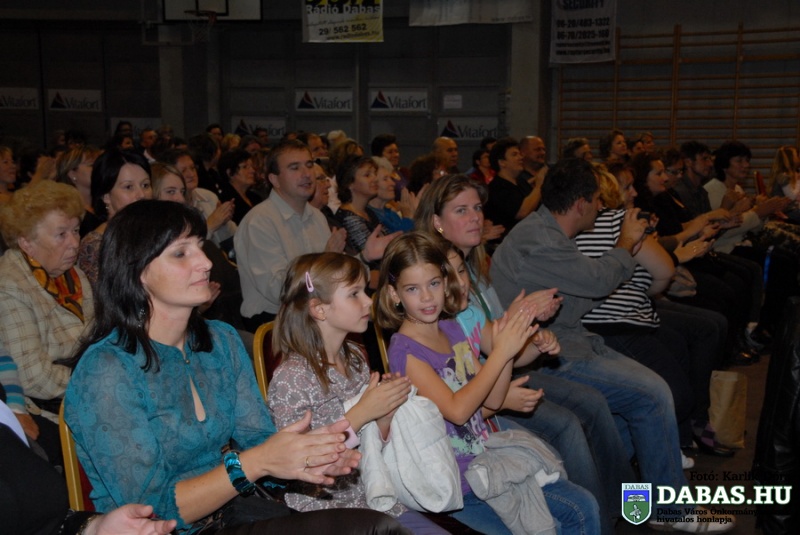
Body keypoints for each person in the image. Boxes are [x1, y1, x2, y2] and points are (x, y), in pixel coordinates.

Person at [64, 200, 407, 534]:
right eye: (181, 253)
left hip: (234, 513)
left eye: (200, 247)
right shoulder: (107, 369)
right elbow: (151, 508)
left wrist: (305, 457)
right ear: (137, 272)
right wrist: (257, 462)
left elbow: (260, 441)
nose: (205, 262)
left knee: (377, 526)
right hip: (165, 530)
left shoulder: (219, 341)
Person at [489, 158, 735, 532]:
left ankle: (634, 503)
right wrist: (626, 242)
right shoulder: (540, 240)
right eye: (596, 200)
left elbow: (583, 294)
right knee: (653, 395)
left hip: (569, 340)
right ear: (580, 204)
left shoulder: (546, 232)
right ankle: (669, 508)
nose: (601, 207)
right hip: (545, 354)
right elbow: (598, 281)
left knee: (630, 411)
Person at [414, 173, 630, 534]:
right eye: (461, 210)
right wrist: (517, 326)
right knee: (570, 423)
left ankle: (617, 510)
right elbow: (463, 392)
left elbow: (495, 339)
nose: (475, 217)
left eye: (477, 208)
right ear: (436, 222)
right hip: (483, 400)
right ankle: (603, 518)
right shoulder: (437, 302)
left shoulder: (471, 274)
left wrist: (532, 334)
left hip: (496, 382)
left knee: (595, 404)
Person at [376, 232, 600, 534]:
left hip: (487, 457)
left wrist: (508, 347)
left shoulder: (450, 327)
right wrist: (501, 353)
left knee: (584, 505)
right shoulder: (406, 352)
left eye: (434, 284)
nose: (427, 297)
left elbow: (493, 400)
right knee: (558, 521)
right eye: (413, 289)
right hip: (457, 480)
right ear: (394, 294)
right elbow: (458, 411)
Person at [268, 252, 449, 533]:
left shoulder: (353, 357)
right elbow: (300, 462)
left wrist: (385, 413)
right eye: (354, 294)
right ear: (319, 309)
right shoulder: (291, 378)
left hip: (375, 492)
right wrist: (364, 411)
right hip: (326, 511)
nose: (368, 301)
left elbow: (372, 442)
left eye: (365, 291)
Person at [235, 139, 396, 331]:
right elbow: (280, 291)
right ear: (274, 179)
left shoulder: (316, 216)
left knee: (386, 318)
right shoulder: (259, 222)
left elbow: (335, 275)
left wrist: (364, 257)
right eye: (295, 167)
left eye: (309, 165)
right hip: (276, 322)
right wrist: (323, 262)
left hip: (316, 316)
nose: (306, 174)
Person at [0, 180, 93, 425]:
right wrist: (98, 383)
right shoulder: (9, 286)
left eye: (76, 230)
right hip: (47, 413)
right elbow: (33, 376)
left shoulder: (75, 275)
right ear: (26, 242)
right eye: (61, 234)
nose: (74, 243)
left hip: (86, 395)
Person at [77, 148, 152, 292]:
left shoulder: (155, 233)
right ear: (106, 196)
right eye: (129, 187)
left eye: (145, 185)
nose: (142, 194)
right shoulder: (95, 246)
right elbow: (103, 301)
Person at [484, 137, 541, 241]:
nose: (520, 157)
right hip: (507, 244)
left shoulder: (521, 182)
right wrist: (539, 186)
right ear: (502, 162)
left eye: (519, 154)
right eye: (514, 154)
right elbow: (522, 212)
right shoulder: (497, 188)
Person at [56, 145, 103, 236]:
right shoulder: (67, 211)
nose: (99, 169)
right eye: (92, 165)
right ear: (72, 174)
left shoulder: (103, 202)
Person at [217, 149, 260, 225]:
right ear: (230, 173)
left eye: (252, 166)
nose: (252, 171)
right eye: (245, 167)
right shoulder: (226, 200)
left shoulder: (255, 197)